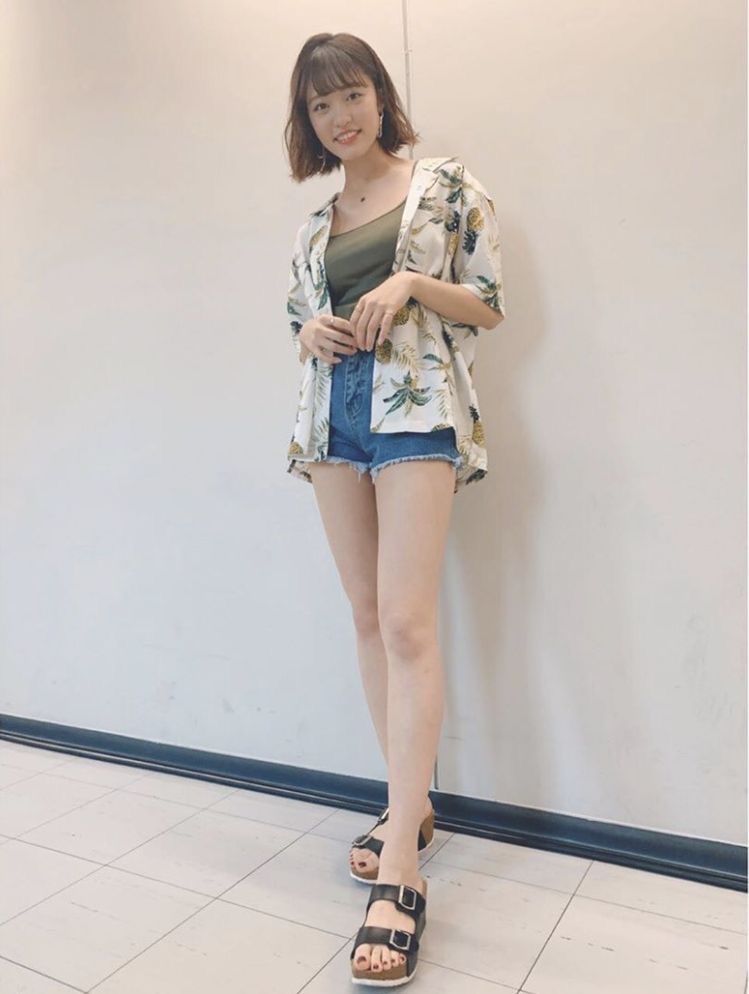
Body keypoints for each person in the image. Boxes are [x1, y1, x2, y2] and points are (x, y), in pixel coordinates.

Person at [283, 32, 506, 988]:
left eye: (351, 93)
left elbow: (489, 304)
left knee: (409, 622)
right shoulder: (313, 226)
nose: (340, 116)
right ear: (306, 122)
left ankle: (403, 875)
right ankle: (405, 810)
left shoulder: (445, 186)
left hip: (415, 412)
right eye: (320, 104)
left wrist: (410, 282)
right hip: (332, 422)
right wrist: (311, 332)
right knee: (369, 618)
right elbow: (297, 323)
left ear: (380, 95)